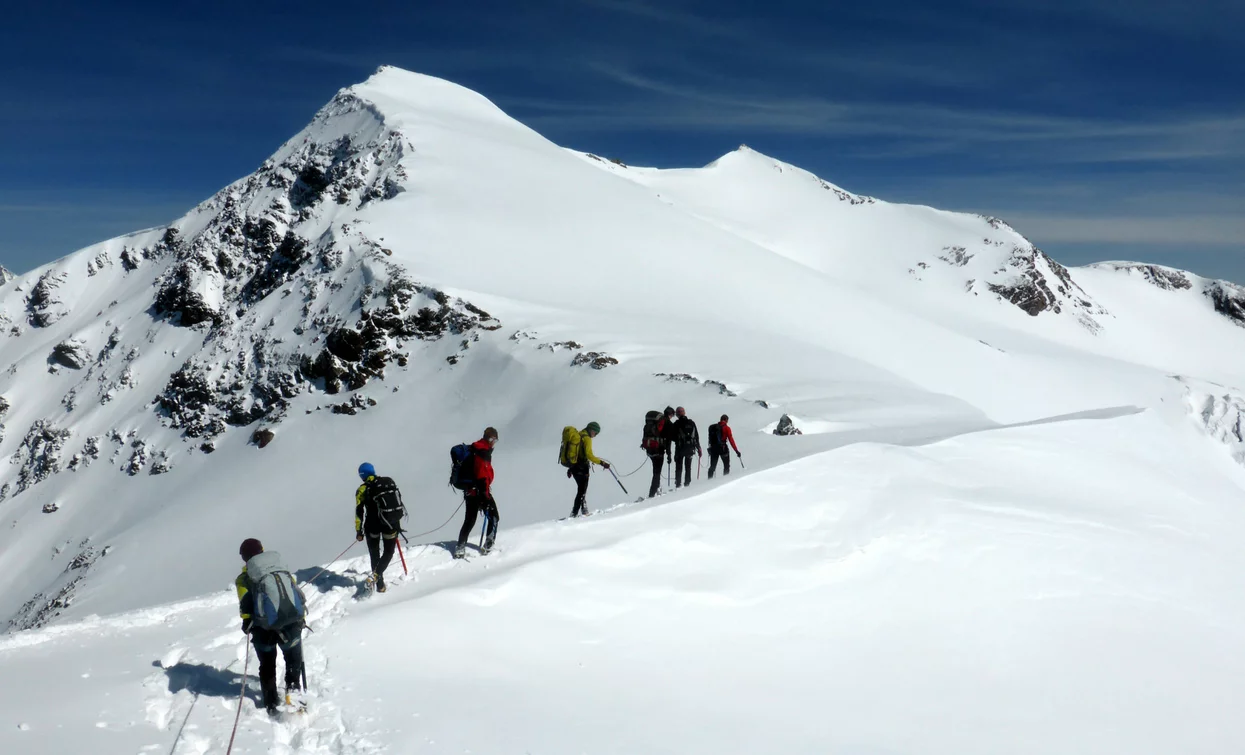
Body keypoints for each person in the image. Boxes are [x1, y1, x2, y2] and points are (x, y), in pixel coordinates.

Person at [236, 538, 306, 716]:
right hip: (290, 625)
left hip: (263, 630)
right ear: (262, 550)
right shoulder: (281, 569)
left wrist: (247, 622)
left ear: (245, 558)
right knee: (293, 661)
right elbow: (296, 595)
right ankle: (294, 694)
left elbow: (245, 605)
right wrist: (301, 619)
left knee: (267, 665)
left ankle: (271, 703)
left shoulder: (244, 579)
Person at [354, 462, 405, 592]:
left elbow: (359, 512)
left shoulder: (362, 490)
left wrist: (359, 531)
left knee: (374, 554)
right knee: (388, 552)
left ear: (362, 475)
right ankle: (376, 575)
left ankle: (379, 585)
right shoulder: (388, 482)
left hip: (372, 526)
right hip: (390, 523)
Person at [455, 427, 499, 559]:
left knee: (469, 520)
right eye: (494, 440)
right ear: (490, 439)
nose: (494, 443)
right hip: (481, 492)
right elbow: (482, 475)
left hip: (470, 491)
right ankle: (488, 545)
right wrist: (485, 494)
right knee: (494, 516)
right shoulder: (483, 452)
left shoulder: (475, 448)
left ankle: (460, 547)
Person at [564, 421, 610, 517]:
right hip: (582, 468)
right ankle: (574, 513)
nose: (595, 435)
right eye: (595, 433)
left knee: (581, 490)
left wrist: (570, 469)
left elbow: (575, 453)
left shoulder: (579, 434)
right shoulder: (587, 438)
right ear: (591, 430)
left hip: (574, 467)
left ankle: (583, 510)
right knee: (582, 491)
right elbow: (589, 455)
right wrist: (602, 463)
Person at [643, 407, 679, 498]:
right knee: (657, 472)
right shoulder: (667, 423)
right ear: (670, 414)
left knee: (655, 470)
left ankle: (656, 489)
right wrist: (669, 454)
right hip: (659, 450)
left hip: (650, 449)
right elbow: (668, 440)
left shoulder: (655, 422)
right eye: (672, 415)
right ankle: (652, 493)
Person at [672, 407, 702, 488]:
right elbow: (696, 436)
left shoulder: (676, 424)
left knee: (679, 467)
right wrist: (699, 448)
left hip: (679, 449)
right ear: (684, 412)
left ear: (677, 414)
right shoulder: (691, 423)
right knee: (688, 467)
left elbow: (672, 437)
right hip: (690, 448)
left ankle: (678, 484)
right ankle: (687, 483)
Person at [707, 414, 742, 478]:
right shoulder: (727, 428)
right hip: (723, 448)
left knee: (712, 466)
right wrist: (736, 451)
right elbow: (731, 440)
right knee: (726, 465)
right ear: (726, 420)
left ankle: (709, 480)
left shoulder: (713, 427)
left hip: (714, 449)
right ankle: (725, 480)